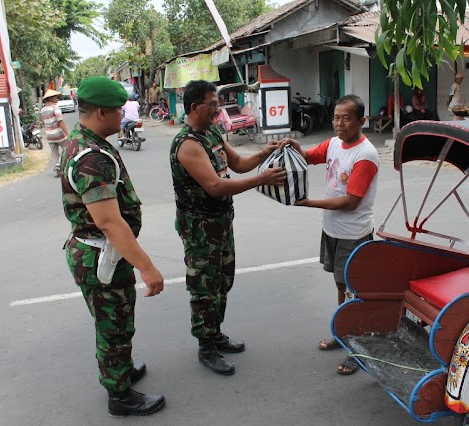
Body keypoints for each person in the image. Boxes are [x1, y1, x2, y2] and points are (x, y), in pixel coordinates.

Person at [60, 76, 166, 417]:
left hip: (94, 250)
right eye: (119, 110)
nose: (123, 116)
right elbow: (109, 222)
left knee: (113, 320)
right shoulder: (92, 157)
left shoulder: (83, 140)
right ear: (103, 112)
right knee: (114, 325)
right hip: (102, 254)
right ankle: (119, 395)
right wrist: (147, 267)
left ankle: (120, 369)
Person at [170, 80, 286, 376]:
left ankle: (216, 332)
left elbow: (238, 164)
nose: (218, 109)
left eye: (217, 104)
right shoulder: (187, 144)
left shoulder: (212, 132)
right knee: (204, 287)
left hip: (221, 222)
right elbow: (215, 186)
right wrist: (262, 180)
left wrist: (264, 153)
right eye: (213, 104)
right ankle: (205, 346)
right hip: (199, 228)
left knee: (222, 280)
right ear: (195, 107)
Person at [277, 94, 379, 376]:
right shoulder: (335, 144)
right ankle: (344, 331)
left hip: (353, 234)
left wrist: (308, 202)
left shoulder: (366, 155)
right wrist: (294, 146)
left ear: (361, 121)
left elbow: (351, 202)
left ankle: (359, 349)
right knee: (340, 286)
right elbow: (310, 157)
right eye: (336, 117)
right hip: (332, 229)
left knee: (353, 291)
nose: (339, 123)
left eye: (347, 118)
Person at [41, 89, 69, 177]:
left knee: (54, 153)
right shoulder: (55, 108)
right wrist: (67, 134)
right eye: (55, 97)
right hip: (58, 134)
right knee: (67, 149)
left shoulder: (43, 110)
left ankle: (56, 169)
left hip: (49, 135)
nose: (57, 98)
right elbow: (60, 122)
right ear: (51, 98)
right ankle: (62, 166)